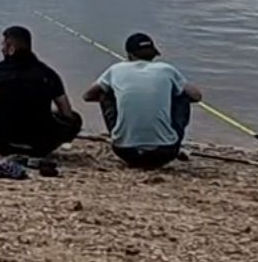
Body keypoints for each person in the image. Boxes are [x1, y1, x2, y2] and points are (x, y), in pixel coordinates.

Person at [83, 32, 203, 169]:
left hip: (124, 151)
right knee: (182, 96)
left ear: (129, 54)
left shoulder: (116, 69)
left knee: (105, 94)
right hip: (165, 152)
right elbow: (196, 96)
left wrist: (120, 95)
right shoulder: (166, 69)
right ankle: (163, 136)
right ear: (153, 54)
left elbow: (88, 96)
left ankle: (125, 134)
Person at [0, 25, 84, 156]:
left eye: (3, 46)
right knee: (76, 118)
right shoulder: (48, 74)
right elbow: (67, 112)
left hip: (3, 144)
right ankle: (57, 142)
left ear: (11, 48)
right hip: (41, 146)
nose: (1, 50)